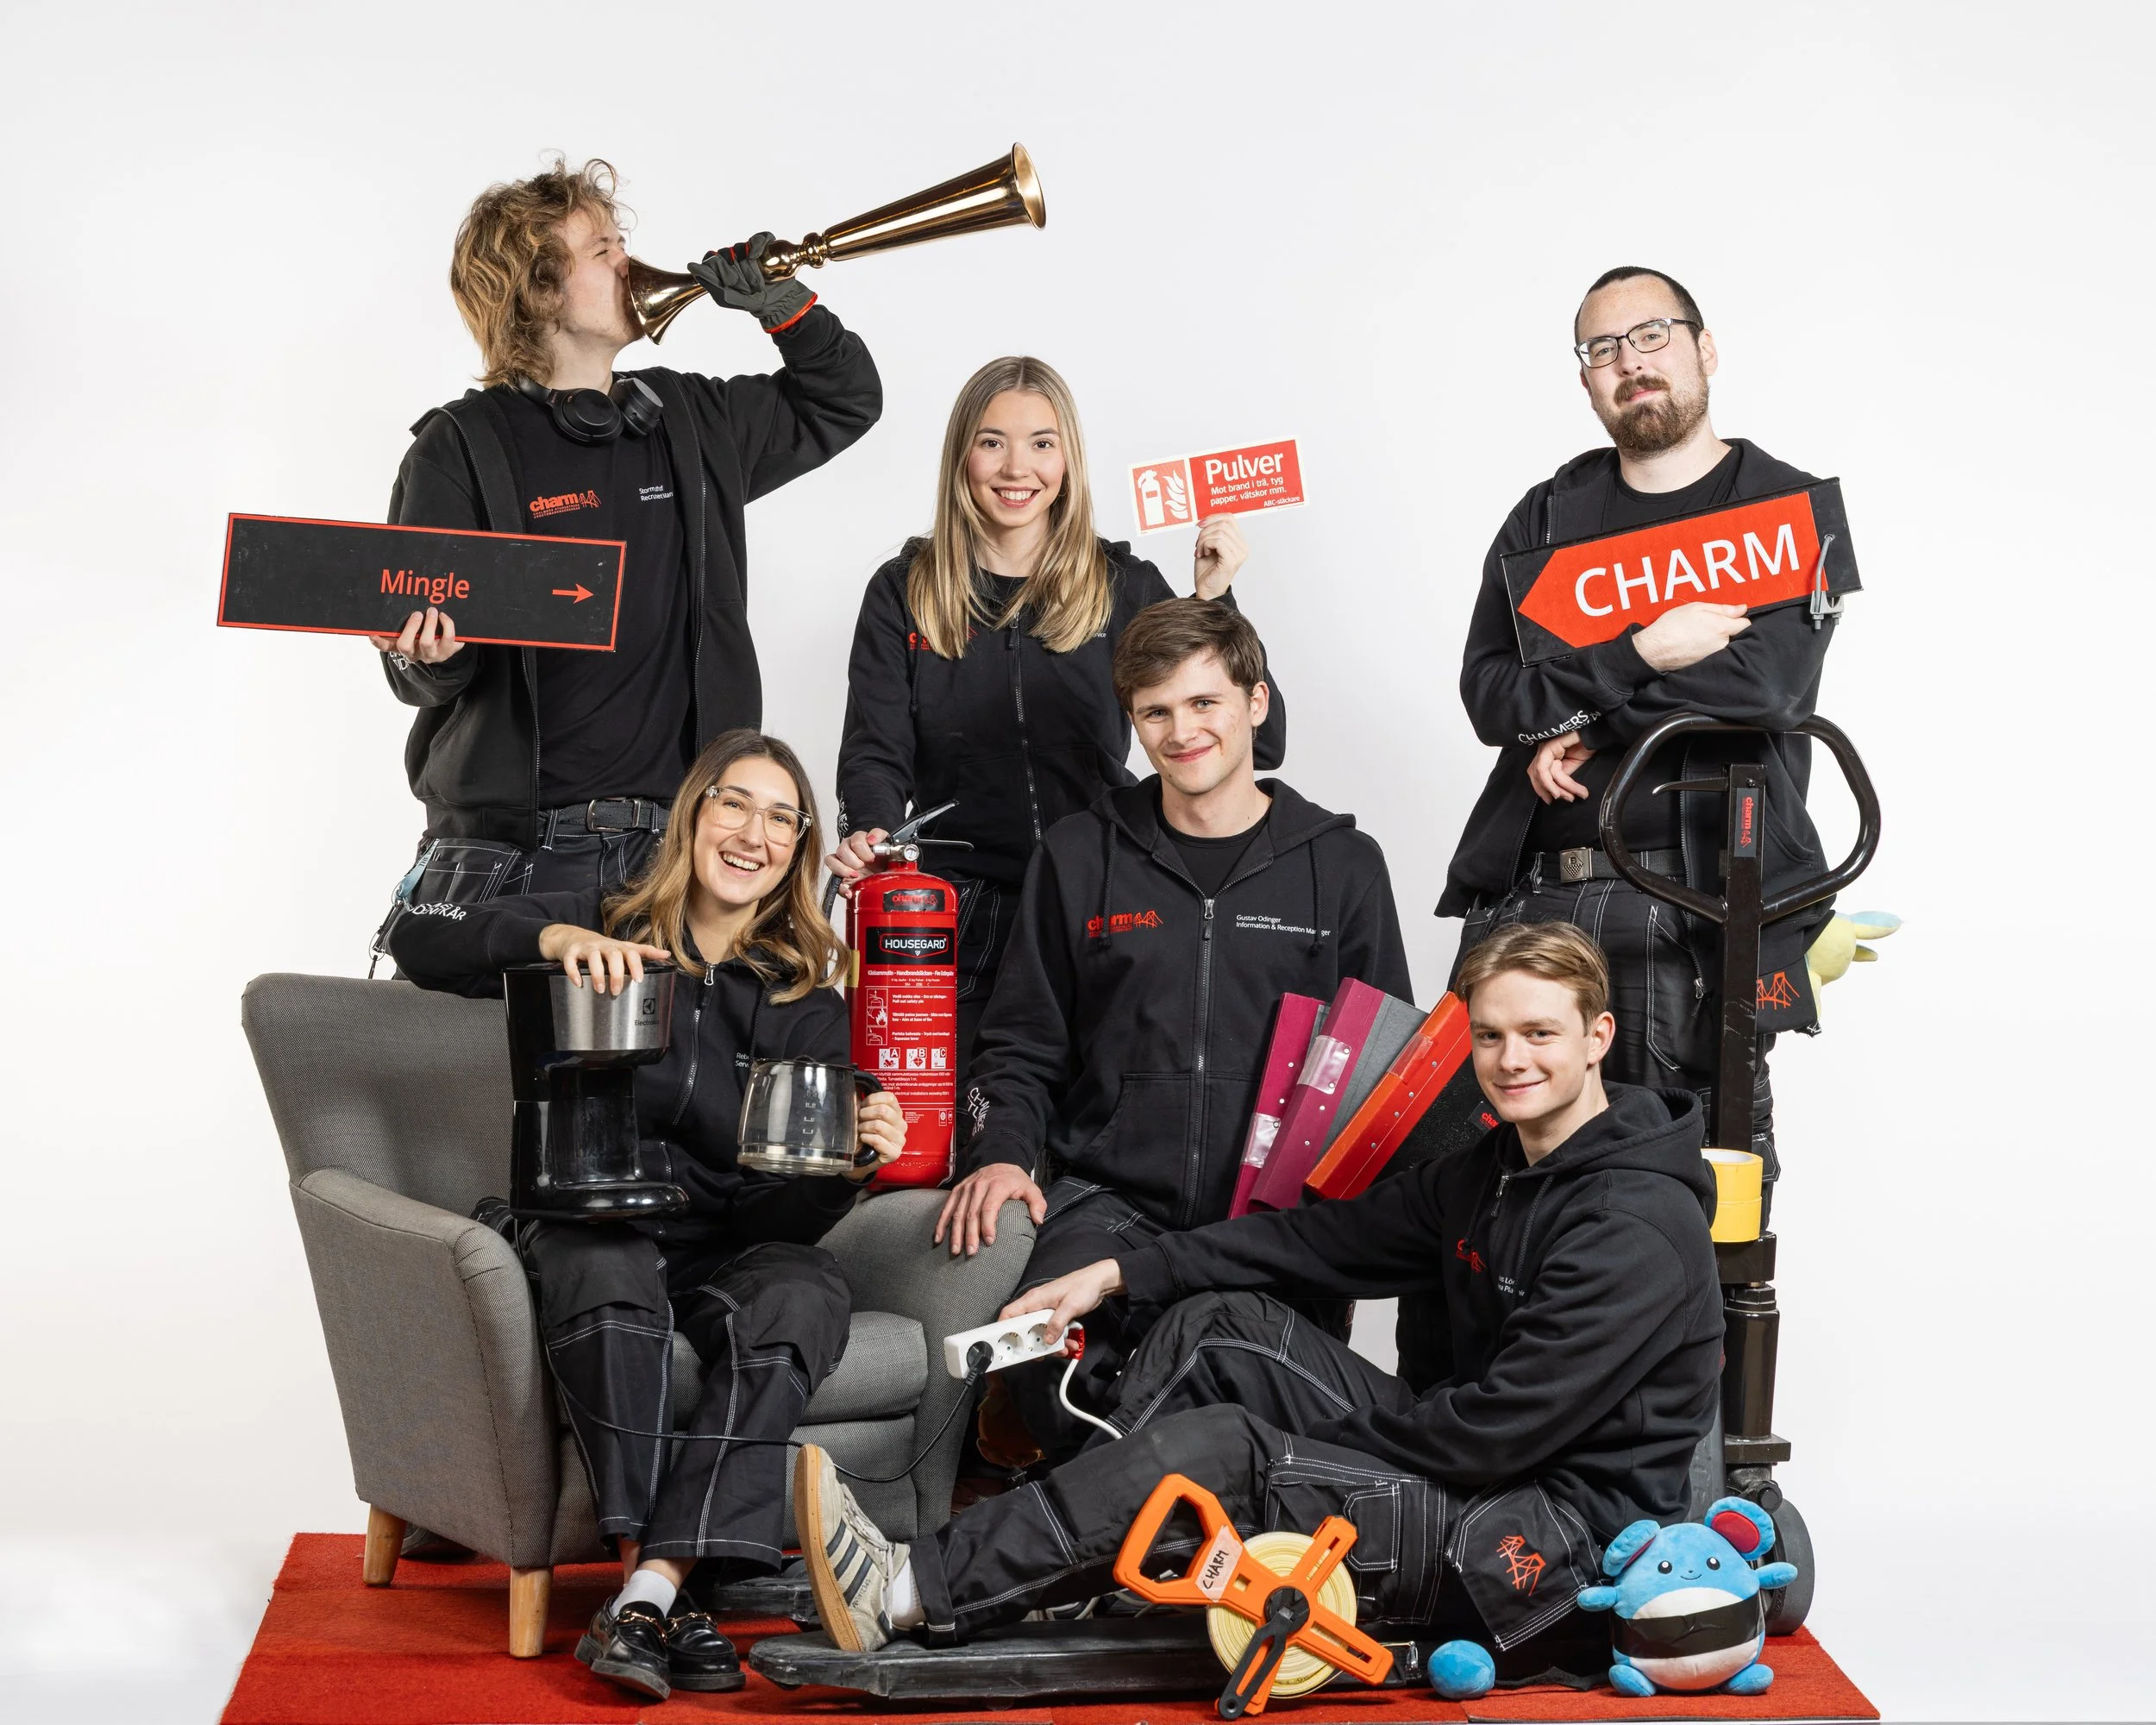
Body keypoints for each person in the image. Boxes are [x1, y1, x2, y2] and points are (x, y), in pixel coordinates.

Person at [793, 921, 1723, 1685]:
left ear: (1597, 1036)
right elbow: (1319, 1239)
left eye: (1540, 1034)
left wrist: (1293, 1452)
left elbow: (1495, 1432)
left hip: (1548, 1541)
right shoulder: (1496, 1169)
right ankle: (1048, 1562)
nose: (1510, 1059)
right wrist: (1116, 1273)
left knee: (1228, 1450)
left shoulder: (1632, 1224)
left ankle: (907, 1588)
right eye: (1489, 1035)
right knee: (1221, 1327)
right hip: (1478, 1461)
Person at [390, 730, 906, 1703]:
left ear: (799, 848)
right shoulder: (599, 913)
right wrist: (550, 941)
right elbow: (418, 937)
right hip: (585, 1219)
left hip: (722, 1243)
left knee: (803, 1286)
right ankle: (659, 1582)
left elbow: (780, 1213)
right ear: (693, 813)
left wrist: (850, 1165)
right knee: (607, 1259)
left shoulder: (804, 999)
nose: (753, 833)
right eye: (734, 803)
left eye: (782, 818)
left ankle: (649, 1592)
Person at [370, 156, 881, 963]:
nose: (629, 263)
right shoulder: (458, 447)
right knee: (493, 1053)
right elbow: (421, 669)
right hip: (519, 861)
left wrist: (784, 308)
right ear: (540, 289)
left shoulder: (692, 419)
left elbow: (843, 400)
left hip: (680, 859)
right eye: (602, 249)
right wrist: (429, 655)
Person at [936, 598, 1411, 1461]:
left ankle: (1084, 1513)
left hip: (1267, 1217)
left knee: (1234, 1376)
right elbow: (1020, 1041)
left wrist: (1345, 1230)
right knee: (1035, 1342)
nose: (1182, 732)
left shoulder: (1342, 865)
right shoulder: (1080, 853)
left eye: (1203, 703)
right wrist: (1000, 1152)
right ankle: (1096, 1494)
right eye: (1155, 711)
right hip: (1109, 1199)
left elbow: (1384, 1071)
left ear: (1256, 703)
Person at [1441, 264, 1841, 1226]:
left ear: (1705, 349)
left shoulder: (1783, 507)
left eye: (1653, 335)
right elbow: (1493, 697)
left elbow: (1766, 688)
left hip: (1693, 902)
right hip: (1533, 892)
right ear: (1586, 377)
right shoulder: (1547, 516)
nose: (1630, 361)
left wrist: (1587, 714)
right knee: (1484, 1196)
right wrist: (1640, 653)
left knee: (1682, 1196)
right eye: (1603, 347)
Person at [829, 355, 1285, 1093]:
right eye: (992, 442)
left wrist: (1212, 603)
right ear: (962, 455)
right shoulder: (903, 591)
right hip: (962, 913)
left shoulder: (1125, 586)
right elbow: (875, 751)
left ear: (1068, 458)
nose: (1018, 468)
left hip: (1107, 900)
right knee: (957, 1122)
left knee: (1097, 1119)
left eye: (1042, 443)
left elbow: (1261, 741)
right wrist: (874, 834)